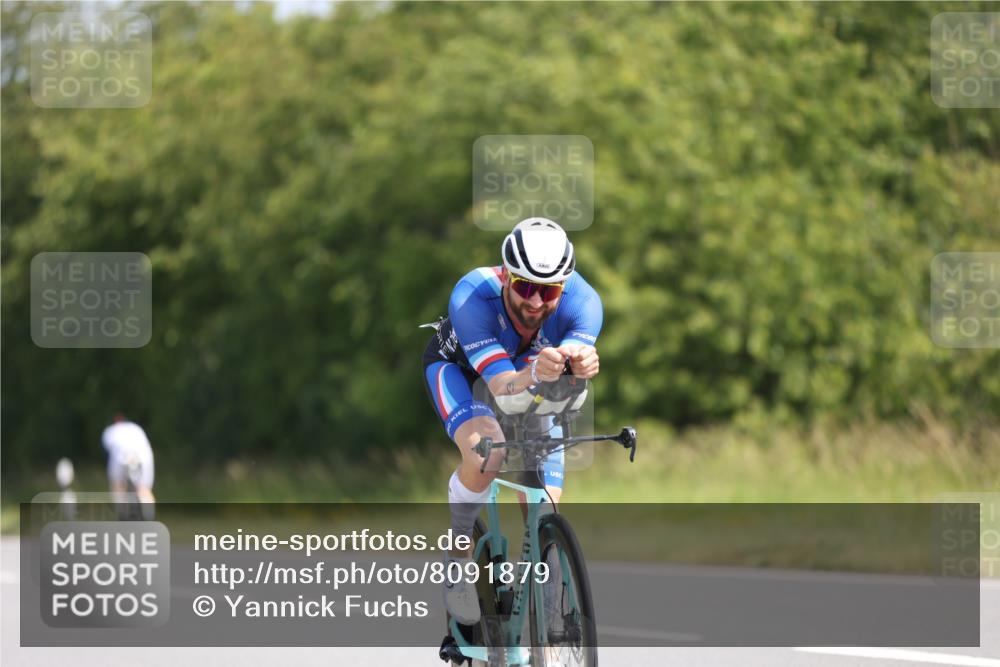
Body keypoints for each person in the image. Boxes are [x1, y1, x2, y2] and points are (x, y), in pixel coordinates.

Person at [421, 218, 602, 624]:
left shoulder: (584, 302)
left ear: (564, 285)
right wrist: (538, 371)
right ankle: (458, 560)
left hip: (531, 376)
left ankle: (549, 581)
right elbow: (502, 383)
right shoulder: (471, 296)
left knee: (546, 500)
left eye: (549, 290)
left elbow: (572, 367)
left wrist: (581, 361)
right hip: (464, 373)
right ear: (506, 276)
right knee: (486, 452)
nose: (536, 302)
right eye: (524, 288)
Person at [101, 413, 156, 516]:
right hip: (143, 454)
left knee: (118, 486)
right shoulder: (136, 428)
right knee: (144, 489)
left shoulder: (108, 431)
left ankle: (123, 516)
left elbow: (105, 453)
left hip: (120, 455)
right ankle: (149, 518)